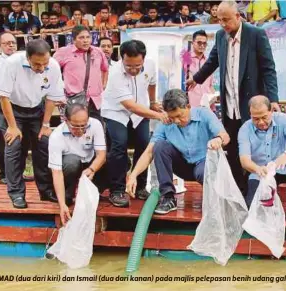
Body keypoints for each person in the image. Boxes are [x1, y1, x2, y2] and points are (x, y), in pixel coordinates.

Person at [187, 0, 279, 191]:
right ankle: (238, 189)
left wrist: (273, 99)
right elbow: (213, 61)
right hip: (230, 103)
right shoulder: (221, 36)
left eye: (226, 20)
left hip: (251, 103)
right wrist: (196, 78)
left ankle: (260, 186)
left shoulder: (256, 35)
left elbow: (268, 68)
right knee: (232, 147)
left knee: (255, 147)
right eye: (219, 20)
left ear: (238, 16)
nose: (223, 24)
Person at [126, 89, 230, 214]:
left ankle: (212, 197)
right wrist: (133, 175)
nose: (175, 121)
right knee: (159, 146)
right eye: (172, 117)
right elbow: (149, 152)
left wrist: (218, 139)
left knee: (202, 173)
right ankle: (168, 197)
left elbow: (225, 136)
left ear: (188, 107)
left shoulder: (204, 114)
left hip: (204, 165)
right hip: (183, 166)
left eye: (179, 116)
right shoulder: (166, 123)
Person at [0, 39, 64, 209]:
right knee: (14, 146)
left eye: (44, 63)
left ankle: (46, 190)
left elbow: (52, 97)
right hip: (12, 109)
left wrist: (46, 124)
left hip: (36, 109)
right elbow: (3, 96)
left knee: (43, 144)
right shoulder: (12, 63)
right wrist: (12, 126)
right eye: (36, 64)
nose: (41, 68)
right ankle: (16, 193)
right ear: (27, 57)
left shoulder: (53, 66)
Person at [101, 40, 167, 207]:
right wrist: (157, 115)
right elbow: (130, 105)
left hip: (142, 110)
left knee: (145, 144)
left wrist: (152, 102)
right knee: (119, 145)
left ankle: (140, 186)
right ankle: (117, 190)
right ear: (122, 59)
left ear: (143, 59)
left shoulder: (150, 65)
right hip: (116, 112)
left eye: (137, 66)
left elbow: (152, 83)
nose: (133, 70)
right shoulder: (115, 72)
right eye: (128, 66)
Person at [238, 95, 286, 221]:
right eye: (255, 119)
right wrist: (258, 169)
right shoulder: (245, 129)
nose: (260, 122)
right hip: (260, 173)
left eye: (264, 117)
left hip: (281, 167)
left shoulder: (283, 120)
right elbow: (244, 160)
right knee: (252, 209)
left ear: (271, 111)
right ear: (250, 114)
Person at [0, 32, 33, 185]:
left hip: (21, 105)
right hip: (3, 105)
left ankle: (18, 173)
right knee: (7, 141)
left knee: (23, 141)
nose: (11, 45)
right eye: (6, 43)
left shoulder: (22, 58)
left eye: (13, 42)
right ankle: (5, 174)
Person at [49, 102, 108, 225]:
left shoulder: (96, 124)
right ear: (66, 120)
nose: (81, 130)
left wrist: (92, 169)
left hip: (89, 165)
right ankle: (67, 195)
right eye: (75, 126)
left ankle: (96, 190)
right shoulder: (56, 136)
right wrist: (62, 205)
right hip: (71, 165)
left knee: (112, 160)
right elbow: (57, 172)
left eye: (84, 126)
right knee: (71, 162)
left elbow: (101, 155)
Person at [54, 25, 109, 121]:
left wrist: (103, 85)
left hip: (95, 101)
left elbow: (105, 69)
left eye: (88, 37)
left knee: (96, 131)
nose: (85, 40)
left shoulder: (98, 52)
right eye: (81, 37)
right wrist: (58, 93)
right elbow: (51, 71)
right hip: (74, 100)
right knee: (75, 131)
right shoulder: (63, 52)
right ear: (74, 40)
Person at [186, 30, 215, 107]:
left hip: (208, 105)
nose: (202, 45)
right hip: (192, 105)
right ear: (192, 43)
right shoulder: (186, 59)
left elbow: (210, 85)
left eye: (204, 43)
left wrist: (213, 100)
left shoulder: (209, 62)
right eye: (199, 42)